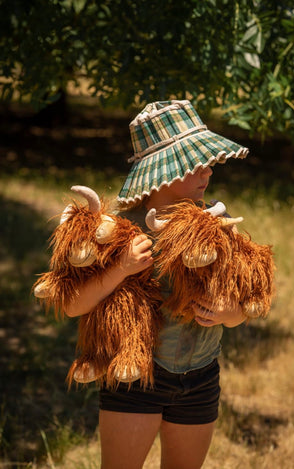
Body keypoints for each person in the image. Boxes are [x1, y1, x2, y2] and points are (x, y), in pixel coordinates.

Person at [65, 100, 249, 469]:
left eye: (209, 161)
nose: (208, 172)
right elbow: (72, 305)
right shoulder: (116, 229)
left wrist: (231, 314)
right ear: (165, 171)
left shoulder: (215, 220)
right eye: (197, 163)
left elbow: (244, 302)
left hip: (201, 376)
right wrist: (121, 268)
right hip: (133, 377)